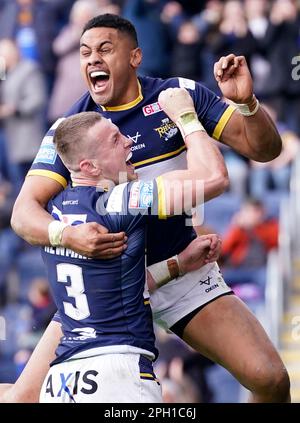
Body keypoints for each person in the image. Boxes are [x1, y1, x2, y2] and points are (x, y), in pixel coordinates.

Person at [9, 14, 290, 402]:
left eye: (105, 49)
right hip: (105, 289)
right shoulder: (72, 129)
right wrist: (68, 234)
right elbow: (23, 214)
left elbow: (265, 150)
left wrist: (247, 104)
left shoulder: (175, 93)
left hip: (180, 270)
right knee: (22, 396)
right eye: (85, 52)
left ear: (135, 56)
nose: (92, 59)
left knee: (270, 379)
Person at [41, 88, 227, 402]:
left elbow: (119, 290)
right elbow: (214, 177)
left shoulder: (51, 208)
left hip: (62, 382)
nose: (129, 142)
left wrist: (179, 264)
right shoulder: (122, 200)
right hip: (118, 374)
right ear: (90, 167)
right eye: (115, 140)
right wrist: (186, 116)